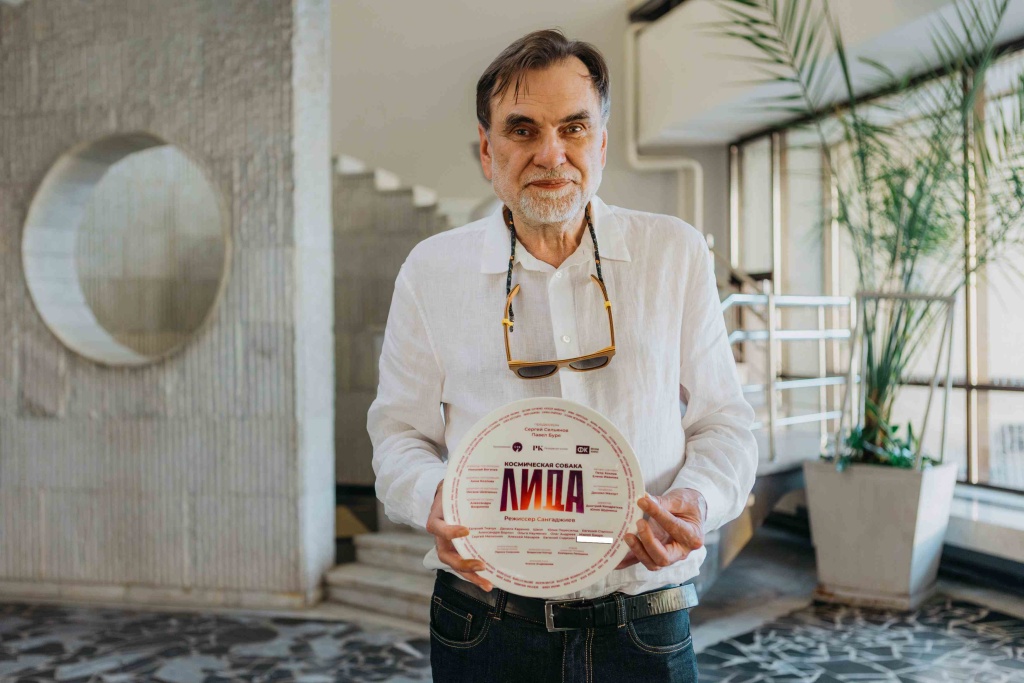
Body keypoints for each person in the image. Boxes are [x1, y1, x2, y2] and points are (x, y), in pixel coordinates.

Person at [368, 28, 757, 683]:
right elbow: (398, 433)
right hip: (487, 624)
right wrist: (433, 496)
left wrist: (699, 496)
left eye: (573, 128)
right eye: (522, 130)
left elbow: (724, 422)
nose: (551, 153)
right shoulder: (432, 271)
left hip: (644, 619)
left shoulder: (674, 253)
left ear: (600, 144)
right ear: (487, 151)